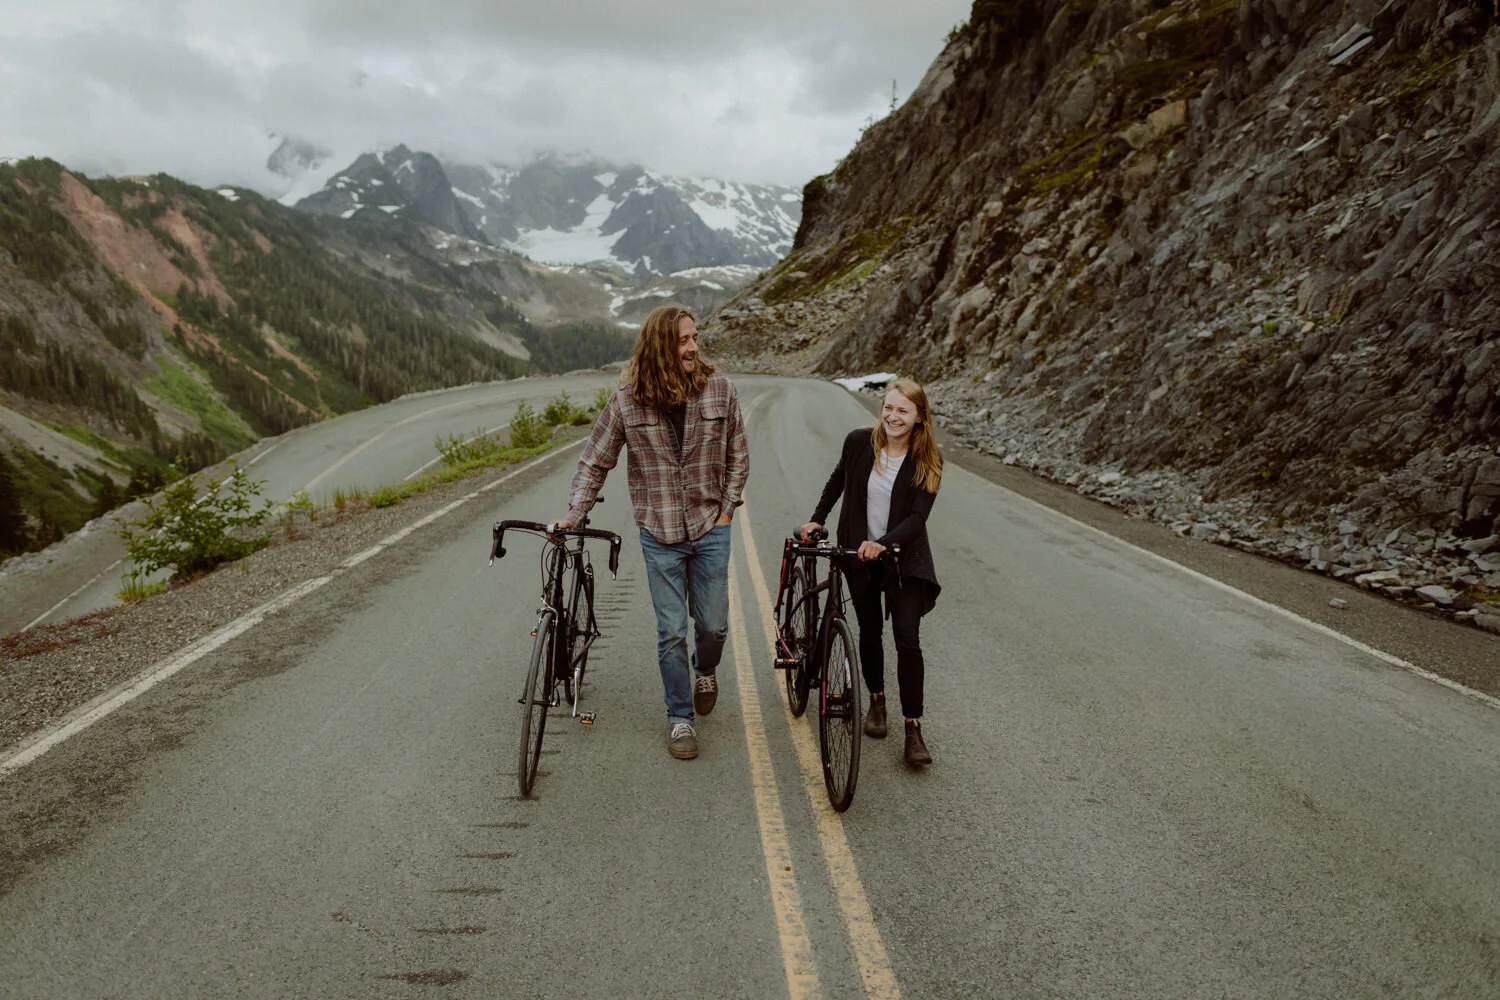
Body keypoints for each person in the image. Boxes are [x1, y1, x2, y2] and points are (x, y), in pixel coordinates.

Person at [558, 304, 749, 760]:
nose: (693, 347)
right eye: (684, 340)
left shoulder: (720, 389)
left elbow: (737, 455)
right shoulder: (627, 399)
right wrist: (575, 513)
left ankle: (707, 669)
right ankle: (680, 719)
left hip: (710, 526)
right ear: (661, 345)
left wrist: (726, 512)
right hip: (658, 532)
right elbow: (595, 459)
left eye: (695, 338)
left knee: (714, 627)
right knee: (669, 631)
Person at [800, 378, 942, 765]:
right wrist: (816, 520)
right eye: (889, 408)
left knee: (907, 638)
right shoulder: (858, 443)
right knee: (869, 630)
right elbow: (837, 483)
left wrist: (885, 543)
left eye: (903, 411)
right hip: (857, 551)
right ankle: (876, 701)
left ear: (918, 418)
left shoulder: (928, 459)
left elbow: (917, 517)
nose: (893, 417)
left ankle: (913, 728)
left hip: (903, 559)